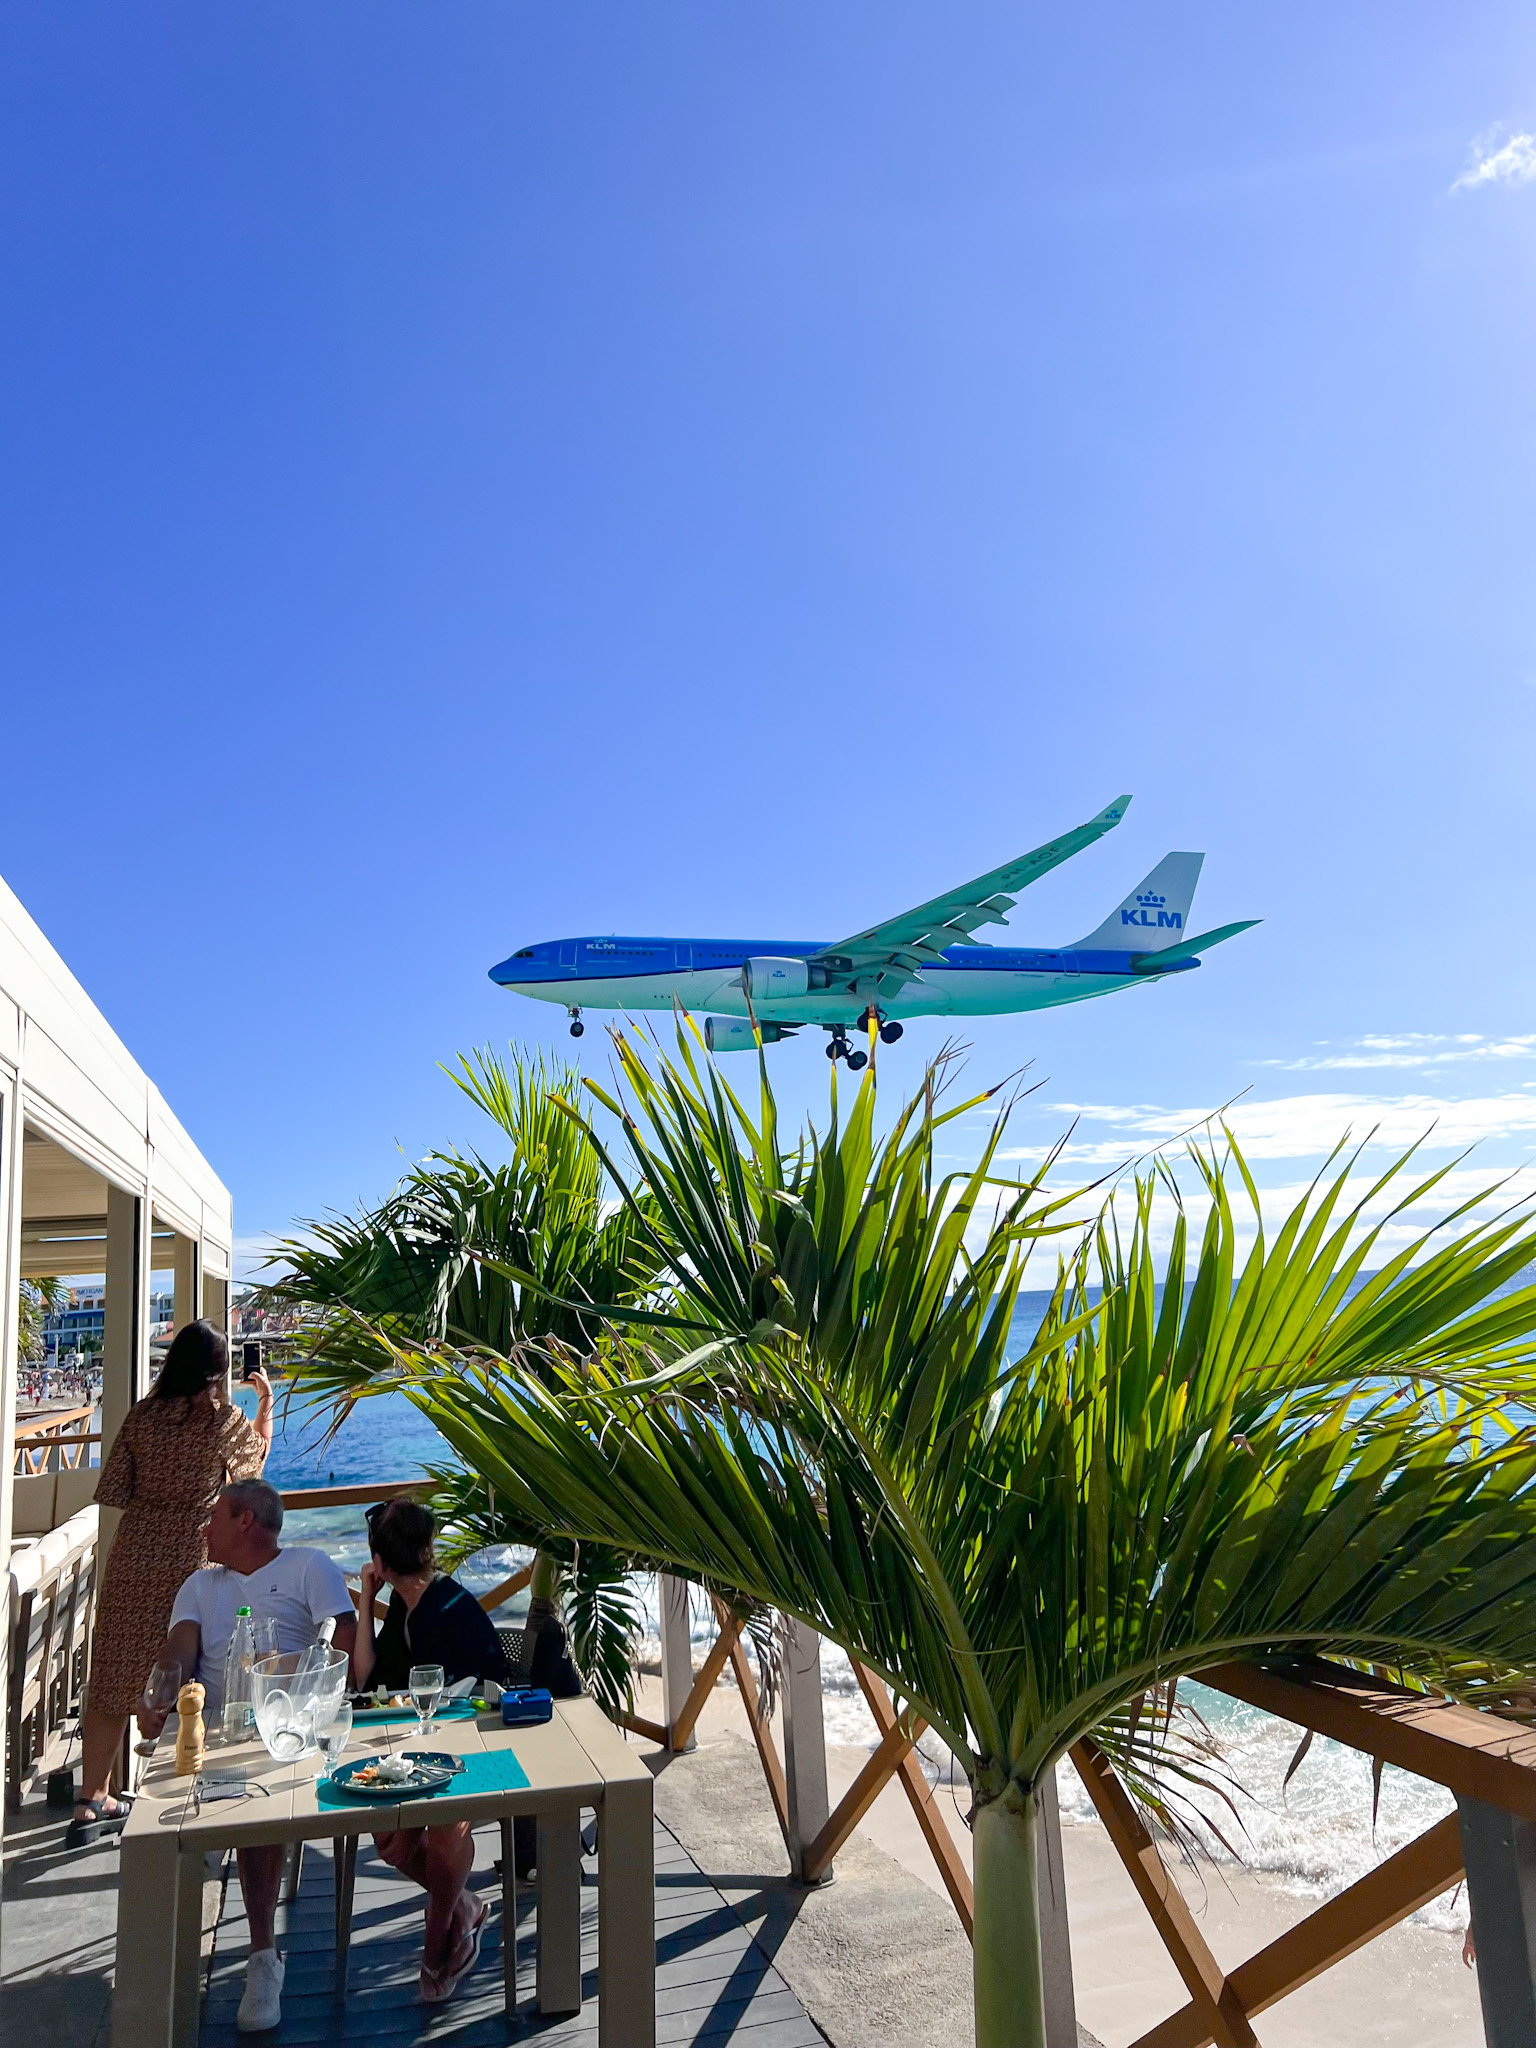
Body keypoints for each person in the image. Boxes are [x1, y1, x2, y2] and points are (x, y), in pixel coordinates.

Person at [140, 1478, 355, 2033]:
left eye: (215, 1516)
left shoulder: (307, 1566)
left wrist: (299, 1692)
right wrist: (159, 1693)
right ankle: (158, 1969)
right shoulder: (199, 1584)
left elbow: (344, 1645)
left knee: (256, 1804)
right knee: (156, 1824)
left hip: (291, 1725)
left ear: (245, 1521)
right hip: (217, 1728)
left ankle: (262, 1957)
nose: (204, 1527)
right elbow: (179, 1649)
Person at [354, 1500, 579, 2002]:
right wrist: (367, 1601)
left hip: (490, 1750)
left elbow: (469, 1703)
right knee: (389, 1841)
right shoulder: (408, 1607)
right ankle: (464, 1908)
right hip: (431, 1746)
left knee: (444, 1824)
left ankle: (437, 1945)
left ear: (382, 1562)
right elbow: (367, 1681)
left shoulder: (447, 1610)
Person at [70, 1318, 273, 1846]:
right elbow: (253, 1471)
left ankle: (90, 1801)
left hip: (135, 1554)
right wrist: (265, 1409)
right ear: (219, 1370)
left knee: (114, 1674)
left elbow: (116, 1488)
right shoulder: (222, 1420)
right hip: (190, 1553)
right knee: (191, 1673)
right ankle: (186, 1795)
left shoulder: (143, 1416)